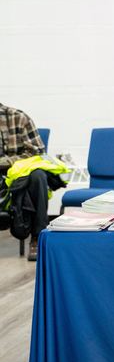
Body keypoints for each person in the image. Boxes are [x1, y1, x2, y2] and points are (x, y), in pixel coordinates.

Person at [0, 103, 48, 260]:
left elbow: (38, 152)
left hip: (20, 170)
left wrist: (7, 161)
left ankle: (37, 238)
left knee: (39, 176)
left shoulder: (19, 118)